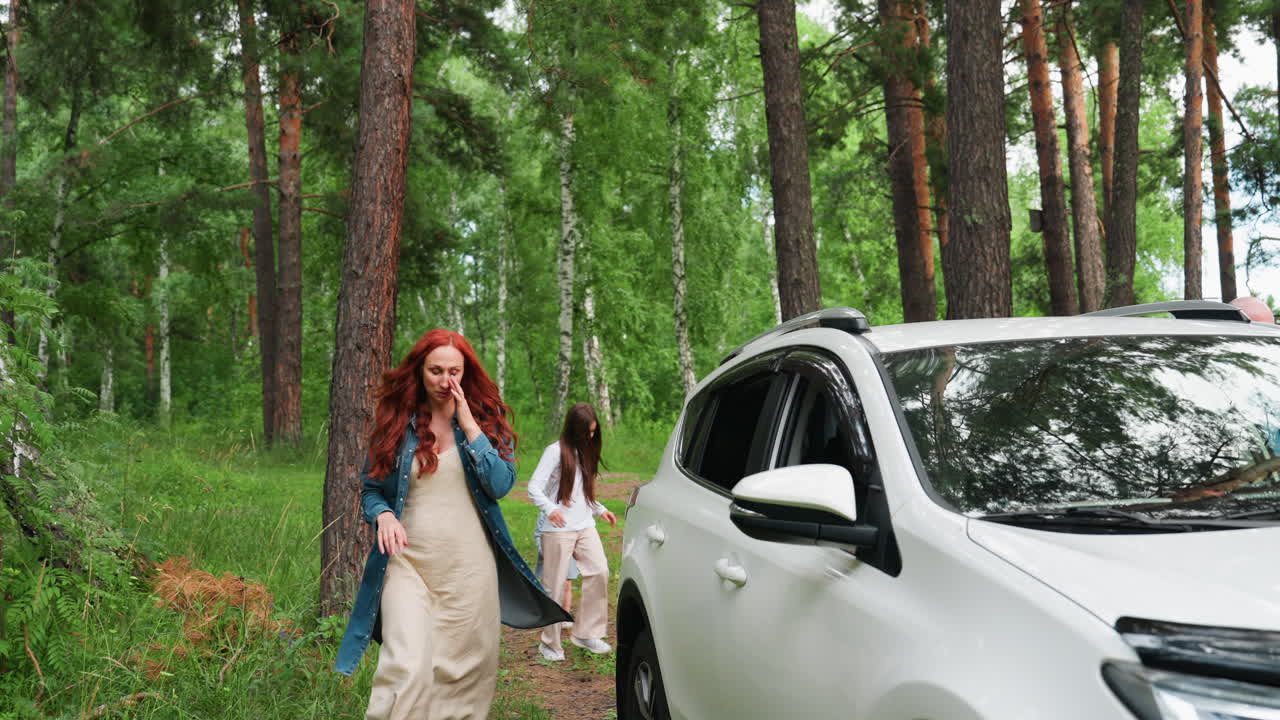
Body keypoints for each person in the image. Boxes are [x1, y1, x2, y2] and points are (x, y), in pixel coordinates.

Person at [333, 329, 570, 720]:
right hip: (406, 565)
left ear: (467, 372)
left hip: (467, 571)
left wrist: (470, 425)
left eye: (455, 372)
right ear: (419, 372)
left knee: (461, 679)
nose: (447, 381)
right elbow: (371, 489)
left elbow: (500, 485)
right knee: (406, 666)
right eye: (436, 371)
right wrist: (384, 514)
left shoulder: (486, 422)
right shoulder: (396, 423)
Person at [527, 402, 618, 661]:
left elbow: (582, 491)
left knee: (600, 571)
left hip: (584, 525)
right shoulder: (554, 452)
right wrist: (549, 508)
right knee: (554, 586)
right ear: (573, 430)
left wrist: (600, 510)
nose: (590, 437)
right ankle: (550, 644)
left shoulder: (587, 452)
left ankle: (586, 633)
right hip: (557, 529)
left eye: (593, 432)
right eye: (585, 433)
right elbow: (534, 486)